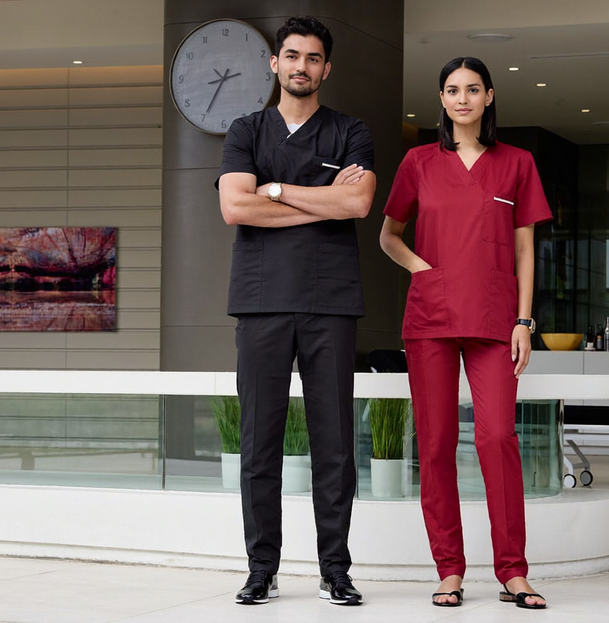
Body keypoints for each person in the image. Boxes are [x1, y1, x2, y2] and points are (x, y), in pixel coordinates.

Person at [379, 56, 550, 610]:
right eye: (452, 90)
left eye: (472, 90)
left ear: (490, 97)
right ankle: (449, 569)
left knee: (497, 437)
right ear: (442, 99)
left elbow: (525, 249)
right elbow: (389, 236)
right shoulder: (418, 162)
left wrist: (524, 320)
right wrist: (424, 271)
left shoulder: (517, 163)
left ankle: (513, 570)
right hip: (431, 318)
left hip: (497, 319)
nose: (462, 99)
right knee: (434, 444)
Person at [217, 16, 375, 607]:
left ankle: (335, 569)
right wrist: (321, 201)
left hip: (330, 303)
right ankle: (262, 569)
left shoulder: (351, 131)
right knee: (260, 443)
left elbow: (357, 201)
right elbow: (236, 208)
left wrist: (276, 190)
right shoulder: (245, 129)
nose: (301, 66)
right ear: (274, 63)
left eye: (312, 58)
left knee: (334, 445)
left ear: (325, 68)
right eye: (291, 56)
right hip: (260, 303)